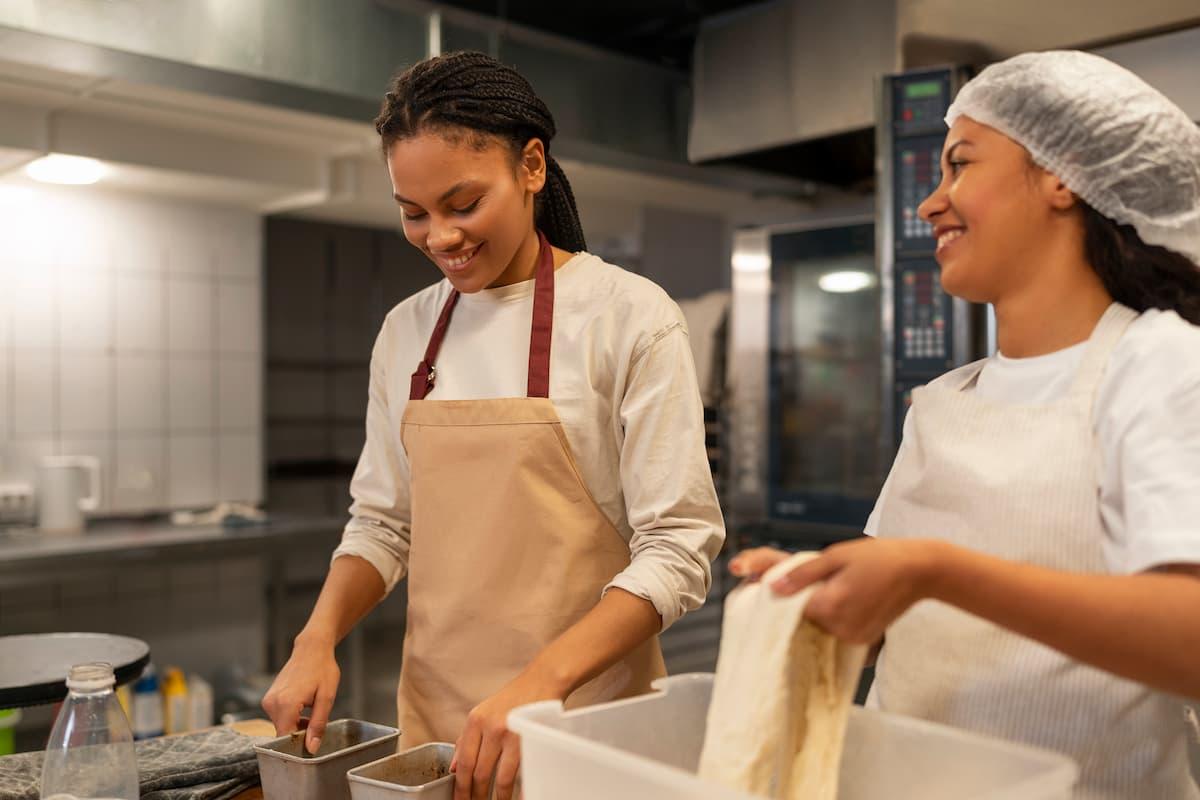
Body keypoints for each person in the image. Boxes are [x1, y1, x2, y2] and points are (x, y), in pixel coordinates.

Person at [731, 50, 1200, 799]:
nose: (930, 203)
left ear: (1061, 174)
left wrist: (935, 571)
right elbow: (889, 614)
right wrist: (809, 591)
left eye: (960, 165)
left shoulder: (1160, 364)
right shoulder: (947, 399)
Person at [261, 51, 725, 800]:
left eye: (462, 204)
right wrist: (316, 640)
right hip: (439, 745)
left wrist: (538, 686)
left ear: (532, 166)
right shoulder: (406, 331)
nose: (440, 236)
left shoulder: (629, 317)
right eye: (414, 213)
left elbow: (677, 550)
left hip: (588, 733)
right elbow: (383, 523)